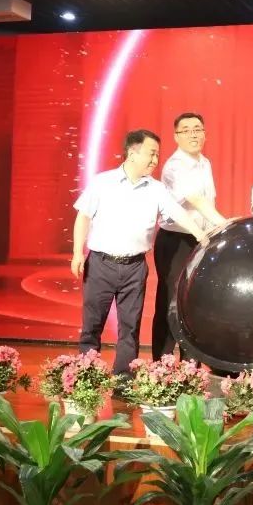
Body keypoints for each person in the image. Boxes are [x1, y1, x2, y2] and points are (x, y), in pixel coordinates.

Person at [72, 129, 207, 375]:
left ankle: (123, 380)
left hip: (135, 267)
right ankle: (85, 377)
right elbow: (83, 216)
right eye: (151, 154)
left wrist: (200, 233)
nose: (155, 160)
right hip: (101, 264)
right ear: (132, 153)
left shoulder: (156, 189)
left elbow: (178, 213)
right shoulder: (103, 182)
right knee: (92, 325)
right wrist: (77, 253)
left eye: (157, 155)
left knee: (130, 328)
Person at [151, 112, 227, 360]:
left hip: (200, 240)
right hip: (176, 241)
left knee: (193, 302)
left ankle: (190, 364)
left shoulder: (205, 163)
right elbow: (196, 199)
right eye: (186, 130)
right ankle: (161, 364)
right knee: (171, 302)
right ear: (176, 136)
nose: (193, 134)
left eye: (198, 129)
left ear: (205, 134)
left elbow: (208, 202)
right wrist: (223, 223)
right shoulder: (175, 166)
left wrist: (214, 229)